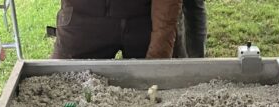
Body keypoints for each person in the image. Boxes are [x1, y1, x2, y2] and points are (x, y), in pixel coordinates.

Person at [52, 0, 182, 59]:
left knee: (168, 92)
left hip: (146, 20)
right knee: (63, 94)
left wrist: (160, 48)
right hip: (81, 21)